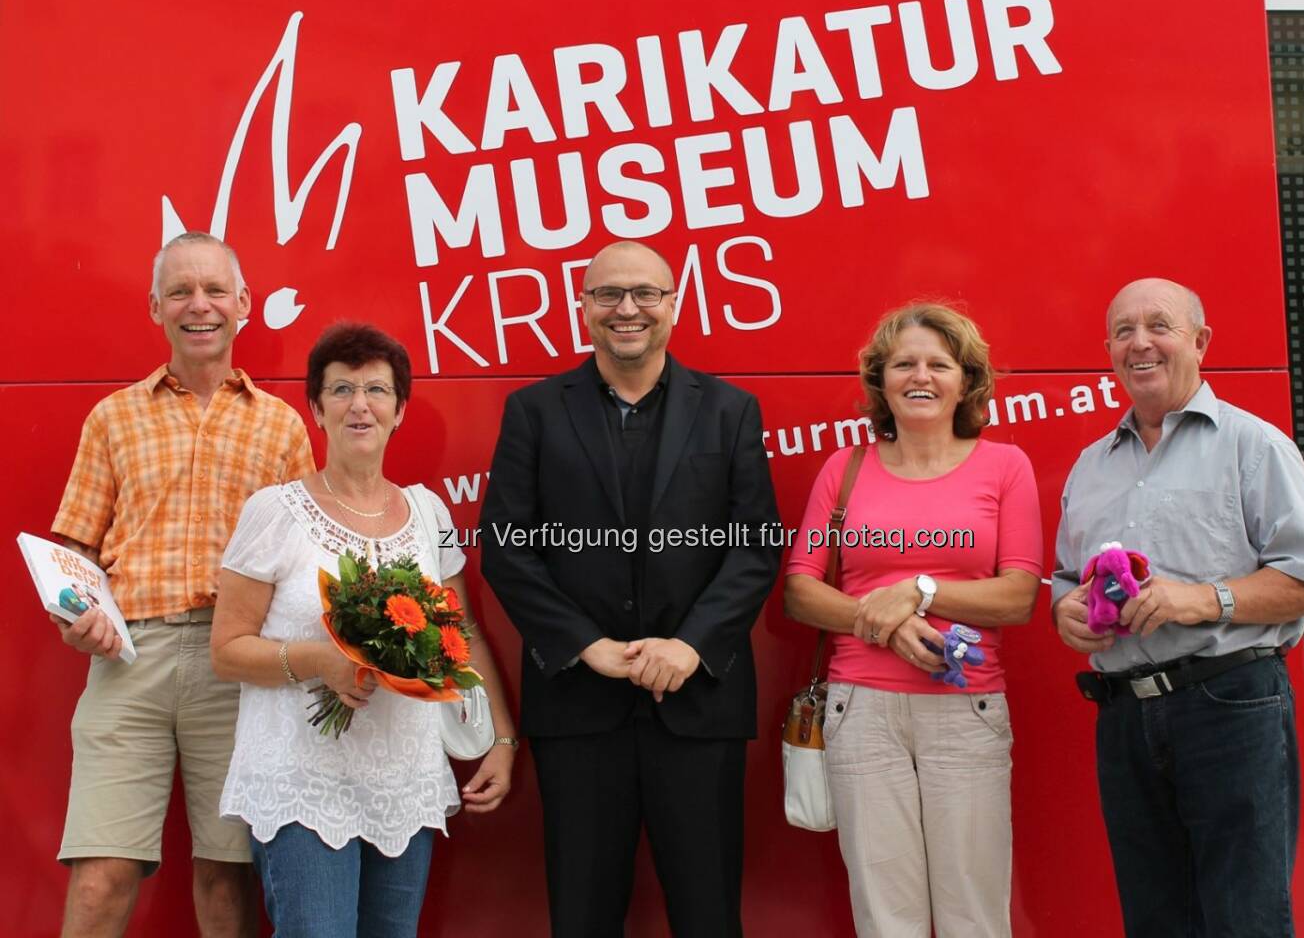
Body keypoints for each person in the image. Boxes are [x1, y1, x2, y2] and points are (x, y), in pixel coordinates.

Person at [479, 240, 780, 938]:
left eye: (645, 293)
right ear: (583, 308)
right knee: (581, 917)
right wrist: (585, 646)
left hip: (698, 702)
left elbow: (756, 545)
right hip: (578, 706)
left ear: (673, 305)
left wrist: (690, 647)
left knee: (709, 916)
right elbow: (507, 546)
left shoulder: (730, 411)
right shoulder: (534, 411)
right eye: (609, 294)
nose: (628, 309)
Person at [1051, 278, 1304, 938]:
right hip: (1124, 713)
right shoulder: (1090, 466)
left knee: (1245, 917)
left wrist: (1197, 600)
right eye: (1123, 331)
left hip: (1230, 703)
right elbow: (1065, 581)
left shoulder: (1254, 445)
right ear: (1109, 351)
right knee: (1156, 920)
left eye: (1160, 325)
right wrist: (1064, 611)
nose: (1140, 343)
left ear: (1200, 342)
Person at [211, 323, 517, 937]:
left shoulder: (427, 512)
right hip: (304, 781)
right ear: (315, 407)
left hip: (405, 780)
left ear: (399, 410)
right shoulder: (275, 511)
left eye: (377, 389)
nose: (360, 404)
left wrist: (501, 740)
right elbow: (227, 649)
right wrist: (322, 660)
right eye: (342, 389)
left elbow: (464, 636)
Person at [49, 231, 314, 937]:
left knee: (226, 874)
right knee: (101, 876)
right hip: (126, 660)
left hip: (239, 670)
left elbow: (302, 569)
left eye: (214, 290)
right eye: (180, 292)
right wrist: (78, 614)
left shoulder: (282, 428)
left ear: (245, 305)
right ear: (155, 308)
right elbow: (72, 552)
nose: (200, 305)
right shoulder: (112, 417)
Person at [784, 303, 1042, 938]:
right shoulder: (844, 469)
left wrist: (918, 589)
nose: (919, 376)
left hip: (967, 711)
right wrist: (887, 622)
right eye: (903, 364)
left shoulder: (1004, 466)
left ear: (966, 380)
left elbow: (1018, 597)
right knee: (885, 918)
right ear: (881, 380)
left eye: (938, 363)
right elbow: (799, 592)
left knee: (974, 916)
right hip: (860, 711)